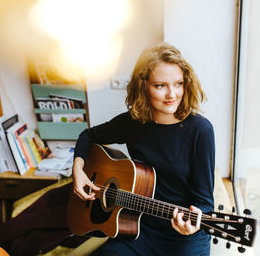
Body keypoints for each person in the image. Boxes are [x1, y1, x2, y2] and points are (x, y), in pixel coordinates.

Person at [73, 42, 215, 255]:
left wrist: (193, 223)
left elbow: (204, 202)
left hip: (184, 236)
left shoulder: (201, 130)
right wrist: (78, 171)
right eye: (160, 86)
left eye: (178, 83)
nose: (172, 94)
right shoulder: (133, 123)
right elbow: (88, 136)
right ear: (143, 86)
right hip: (139, 228)